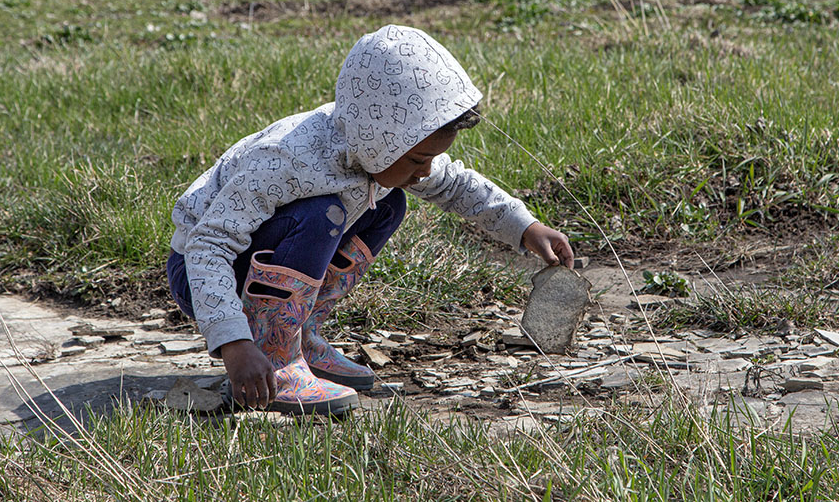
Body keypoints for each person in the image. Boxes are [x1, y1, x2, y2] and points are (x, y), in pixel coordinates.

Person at [167, 24, 574, 416]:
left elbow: (456, 186)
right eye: (419, 159)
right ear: (380, 139)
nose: (425, 170)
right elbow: (209, 246)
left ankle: (298, 336)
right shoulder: (287, 160)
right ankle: (274, 355)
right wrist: (233, 343)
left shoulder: (375, 147)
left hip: (247, 271)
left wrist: (525, 227)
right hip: (201, 275)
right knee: (321, 214)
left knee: (390, 203)